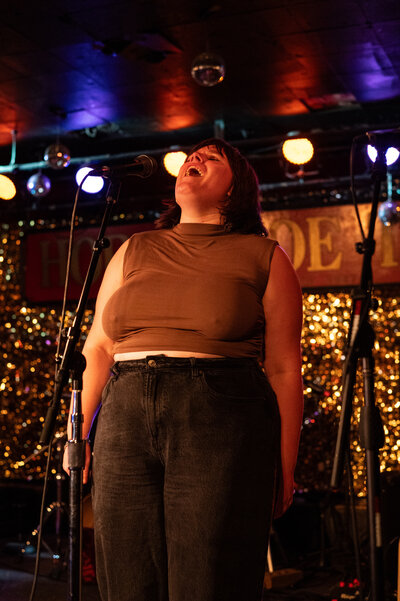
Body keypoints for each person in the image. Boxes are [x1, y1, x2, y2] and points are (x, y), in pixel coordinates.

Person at [63, 138, 304, 601]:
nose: (195, 159)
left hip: (217, 413)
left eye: (212, 158)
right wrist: (80, 433)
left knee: (207, 575)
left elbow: (283, 369)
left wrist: (284, 465)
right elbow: (98, 347)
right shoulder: (135, 248)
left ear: (237, 190)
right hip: (124, 411)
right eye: (192, 155)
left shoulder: (265, 256)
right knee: (127, 569)